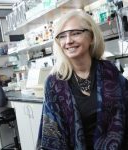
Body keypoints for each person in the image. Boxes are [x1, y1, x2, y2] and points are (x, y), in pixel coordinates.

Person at [36, 10, 128, 150]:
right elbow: (52, 135)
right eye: (62, 36)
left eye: (75, 33)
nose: (68, 41)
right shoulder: (54, 83)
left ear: (91, 37)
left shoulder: (110, 72)